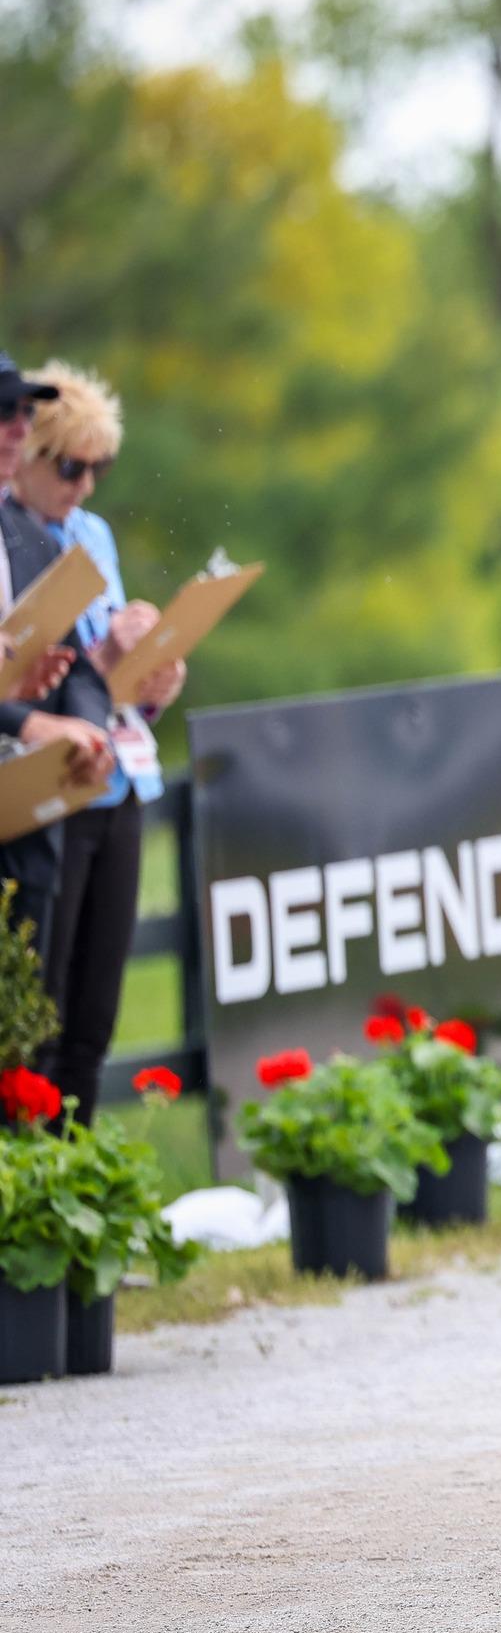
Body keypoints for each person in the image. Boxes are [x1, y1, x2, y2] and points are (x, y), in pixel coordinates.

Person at [12, 363, 184, 1121]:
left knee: (95, 1016)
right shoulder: (17, 535)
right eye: (72, 467)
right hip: (45, 788)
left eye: (98, 468)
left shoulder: (93, 536)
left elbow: (94, 676)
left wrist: (151, 676)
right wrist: (102, 671)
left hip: (117, 771)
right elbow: (42, 678)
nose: (84, 486)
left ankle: (79, 1196)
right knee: (40, 1017)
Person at [0, 351, 114, 965]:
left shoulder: (36, 540)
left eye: (24, 411)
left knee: (32, 1047)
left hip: (26, 834)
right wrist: (28, 721)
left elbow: (80, 669)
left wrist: (92, 733)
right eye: (2, 411)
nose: (19, 427)